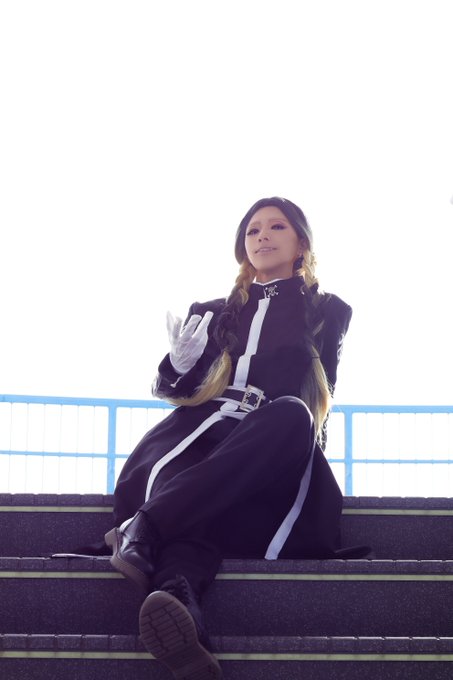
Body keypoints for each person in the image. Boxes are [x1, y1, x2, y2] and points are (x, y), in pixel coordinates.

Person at [104, 196, 356, 680]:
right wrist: (175, 366)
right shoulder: (213, 311)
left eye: (276, 227)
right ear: (243, 247)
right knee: (205, 497)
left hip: (271, 437)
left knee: (292, 415)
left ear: (301, 244)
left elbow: (324, 394)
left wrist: (300, 451)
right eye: (253, 230)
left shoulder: (327, 310)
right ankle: (181, 607)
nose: (262, 236)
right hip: (200, 433)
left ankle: (146, 526)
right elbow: (180, 391)